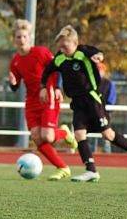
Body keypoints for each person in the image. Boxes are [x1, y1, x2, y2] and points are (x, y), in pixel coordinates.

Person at [40, 25, 127, 182]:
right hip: (77, 102)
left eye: (65, 45)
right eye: (60, 46)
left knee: (108, 134)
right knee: (79, 134)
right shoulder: (59, 58)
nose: (62, 48)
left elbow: (97, 53)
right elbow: (47, 71)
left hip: (92, 99)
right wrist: (44, 87)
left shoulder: (83, 51)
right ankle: (91, 170)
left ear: (75, 42)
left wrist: (98, 57)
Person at [8, 19, 78, 181]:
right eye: (18, 37)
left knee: (47, 136)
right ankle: (63, 167)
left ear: (29, 38)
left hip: (48, 96)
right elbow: (16, 86)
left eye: (24, 36)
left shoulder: (41, 52)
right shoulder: (15, 61)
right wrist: (13, 83)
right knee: (36, 137)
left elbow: (58, 67)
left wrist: (58, 88)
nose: (21, 40)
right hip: (31, 101)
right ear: (15, 39)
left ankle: (64, 133)